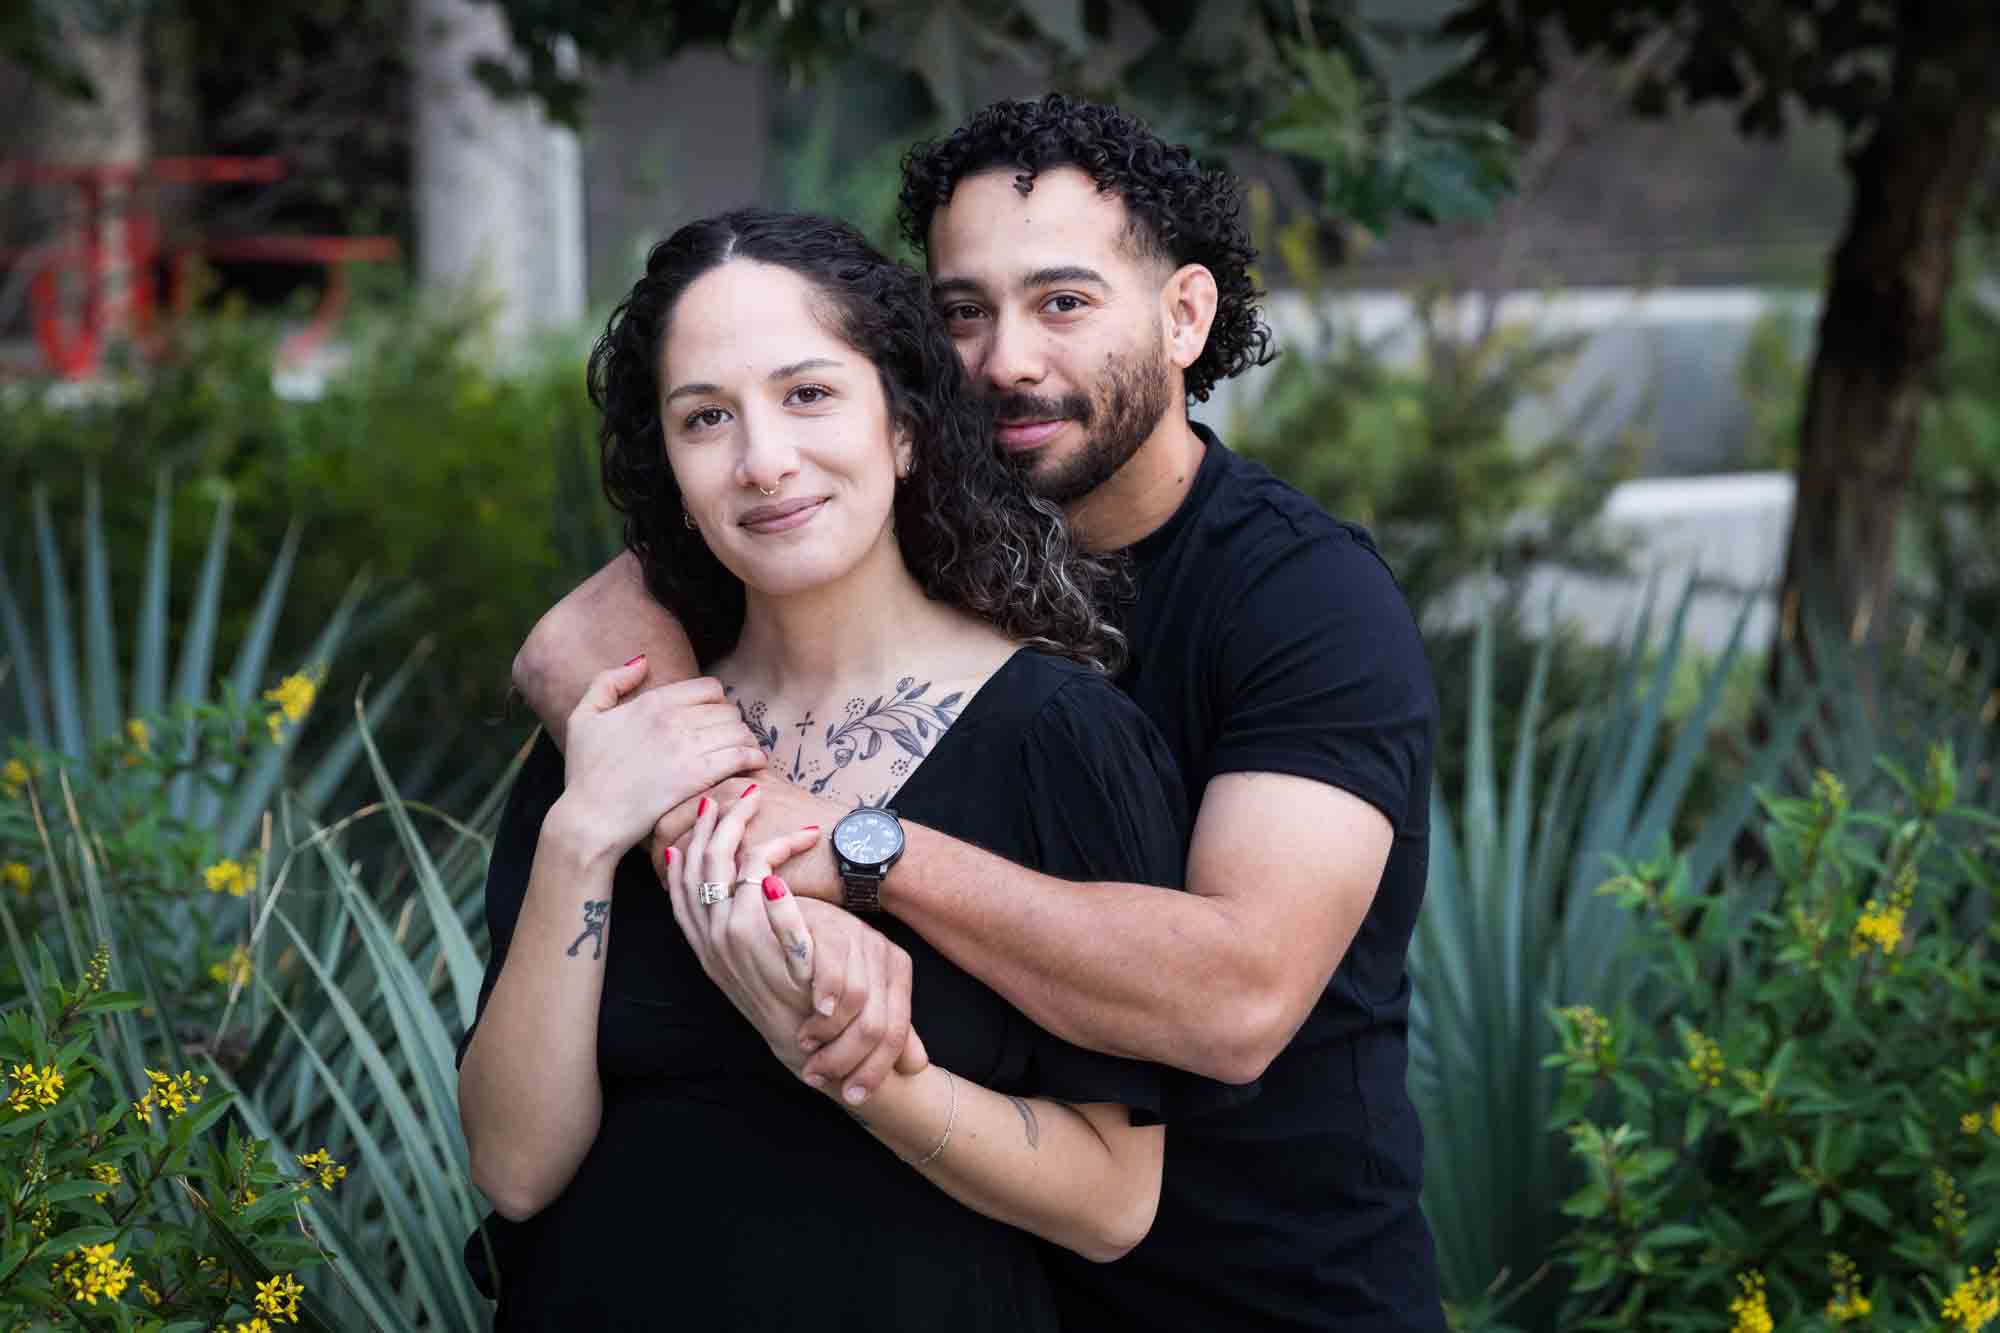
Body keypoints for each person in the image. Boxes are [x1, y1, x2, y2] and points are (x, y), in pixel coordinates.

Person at [513, 96, 1446, 1332]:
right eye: (963, 310)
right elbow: (581, 632)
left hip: (1263, 1298)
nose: (1005, 358)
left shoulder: (1298, 599)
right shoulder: (911, 533)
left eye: (1062, 302)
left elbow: (1233, 1003)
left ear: (1183, 316)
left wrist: (858, 851)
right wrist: (735, 838)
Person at [456, 208, 1196, 1331]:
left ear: (902, 425)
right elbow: (513, 1169)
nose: (763, 461)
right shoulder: (620, 722)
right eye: (706, 418)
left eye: (808, 395)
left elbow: (1111, 1200)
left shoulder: (1059, 739)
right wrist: (579, 835)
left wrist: (864, 1072)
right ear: (671, 466)